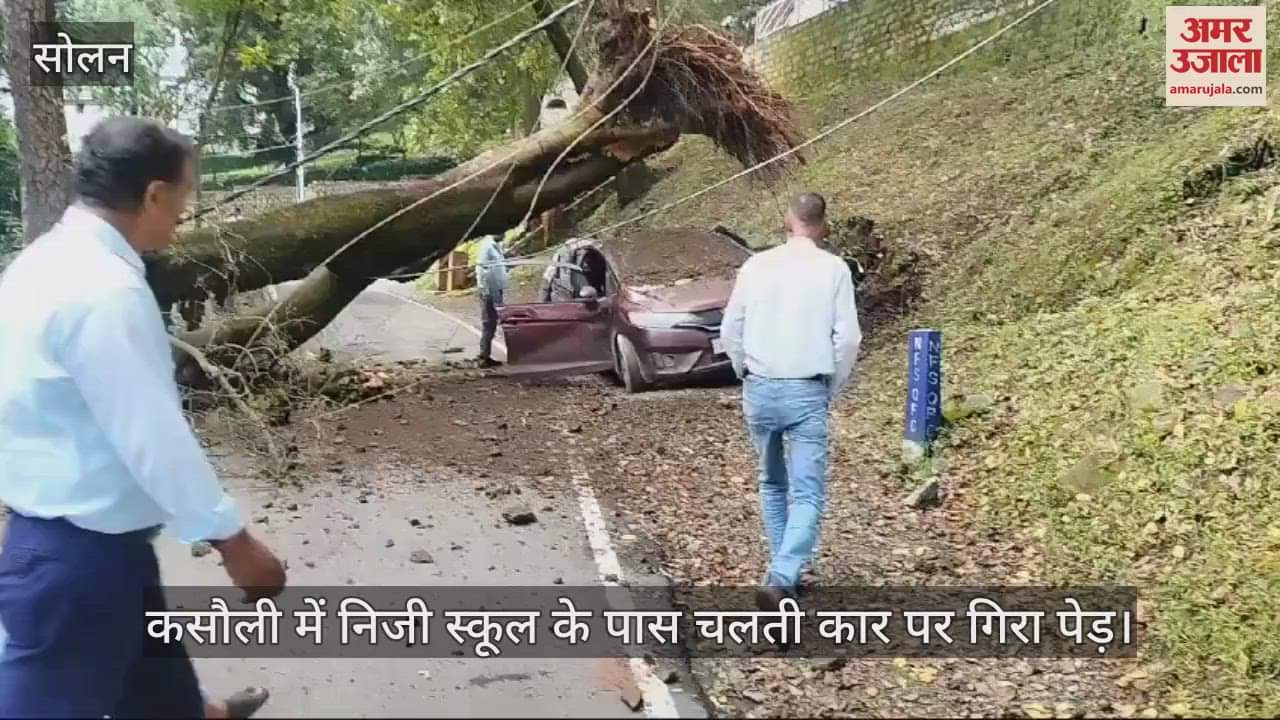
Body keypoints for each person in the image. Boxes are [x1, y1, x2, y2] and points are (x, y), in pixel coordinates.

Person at [0, 116, 286, 718]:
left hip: (92, 549)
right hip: (80, 563)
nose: (184, 215)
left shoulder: (39, 264)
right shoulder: (104, 291)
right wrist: (234, 541)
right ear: (154, 194)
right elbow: (154, 438)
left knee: (162, 695)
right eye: (184, 198)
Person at [720, 192, 862, 611]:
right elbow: (848, 338)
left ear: (788, 219)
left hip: (760, 387)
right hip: (806, 388)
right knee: (807, 492)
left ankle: (783, 576)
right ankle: (783, 575)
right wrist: (833, 383)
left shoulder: (756, 265)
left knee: (771, 482)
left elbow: (730, 329)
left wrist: (743, 369)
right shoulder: (833, 268)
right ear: (824, 224)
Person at [474, 234, 509, 368]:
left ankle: (486, 354)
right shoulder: (487, 246)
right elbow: (481, 268)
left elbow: (498, 267)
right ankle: (483, 356)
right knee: (488, 322)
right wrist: (484, 289)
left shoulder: (496, 246)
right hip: (489, 290)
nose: (504, 235)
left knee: (494, 322)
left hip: (497, 289)